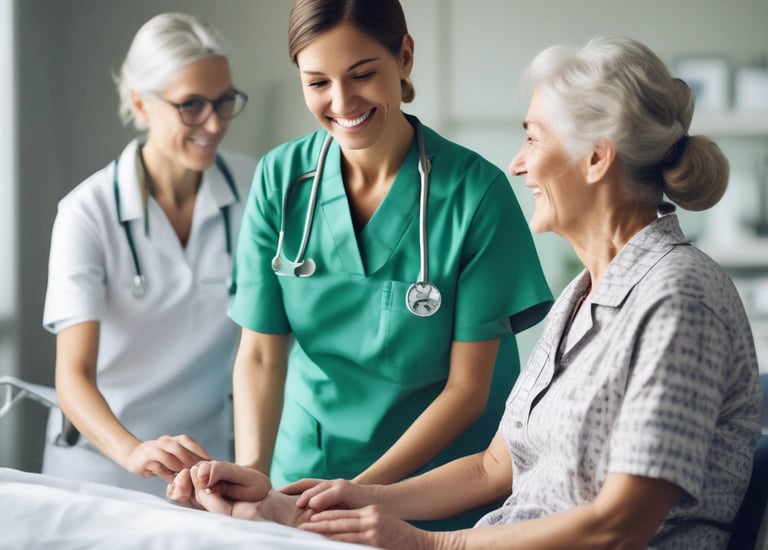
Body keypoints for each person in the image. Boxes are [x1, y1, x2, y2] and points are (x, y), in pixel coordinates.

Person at [169, 34, 764, 549]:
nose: (518, 164)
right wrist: (339, 501)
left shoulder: (679, 299)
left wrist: (431, 543)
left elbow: (620, 527)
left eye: (533, 138)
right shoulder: (582, 296)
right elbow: (493, 466)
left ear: (596, 159)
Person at [224, 0, 552, 528]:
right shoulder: (279, 179)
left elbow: (468, 391)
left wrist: (361, 493)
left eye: (362, 75)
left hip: (436, 492)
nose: (341, 101)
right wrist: (253, 478)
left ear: (404, 57)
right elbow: (261, 354)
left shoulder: (475, 195)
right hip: (302, 480)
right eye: (318, 83)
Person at [41, 12, 257, 498]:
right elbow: (72, 375)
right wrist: (130, 451)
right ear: (140, 102)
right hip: (98, 462)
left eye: (224, 102)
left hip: (203, 463)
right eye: (192, 105)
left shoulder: (252, 188)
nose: (214, 123)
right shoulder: (86, 212)